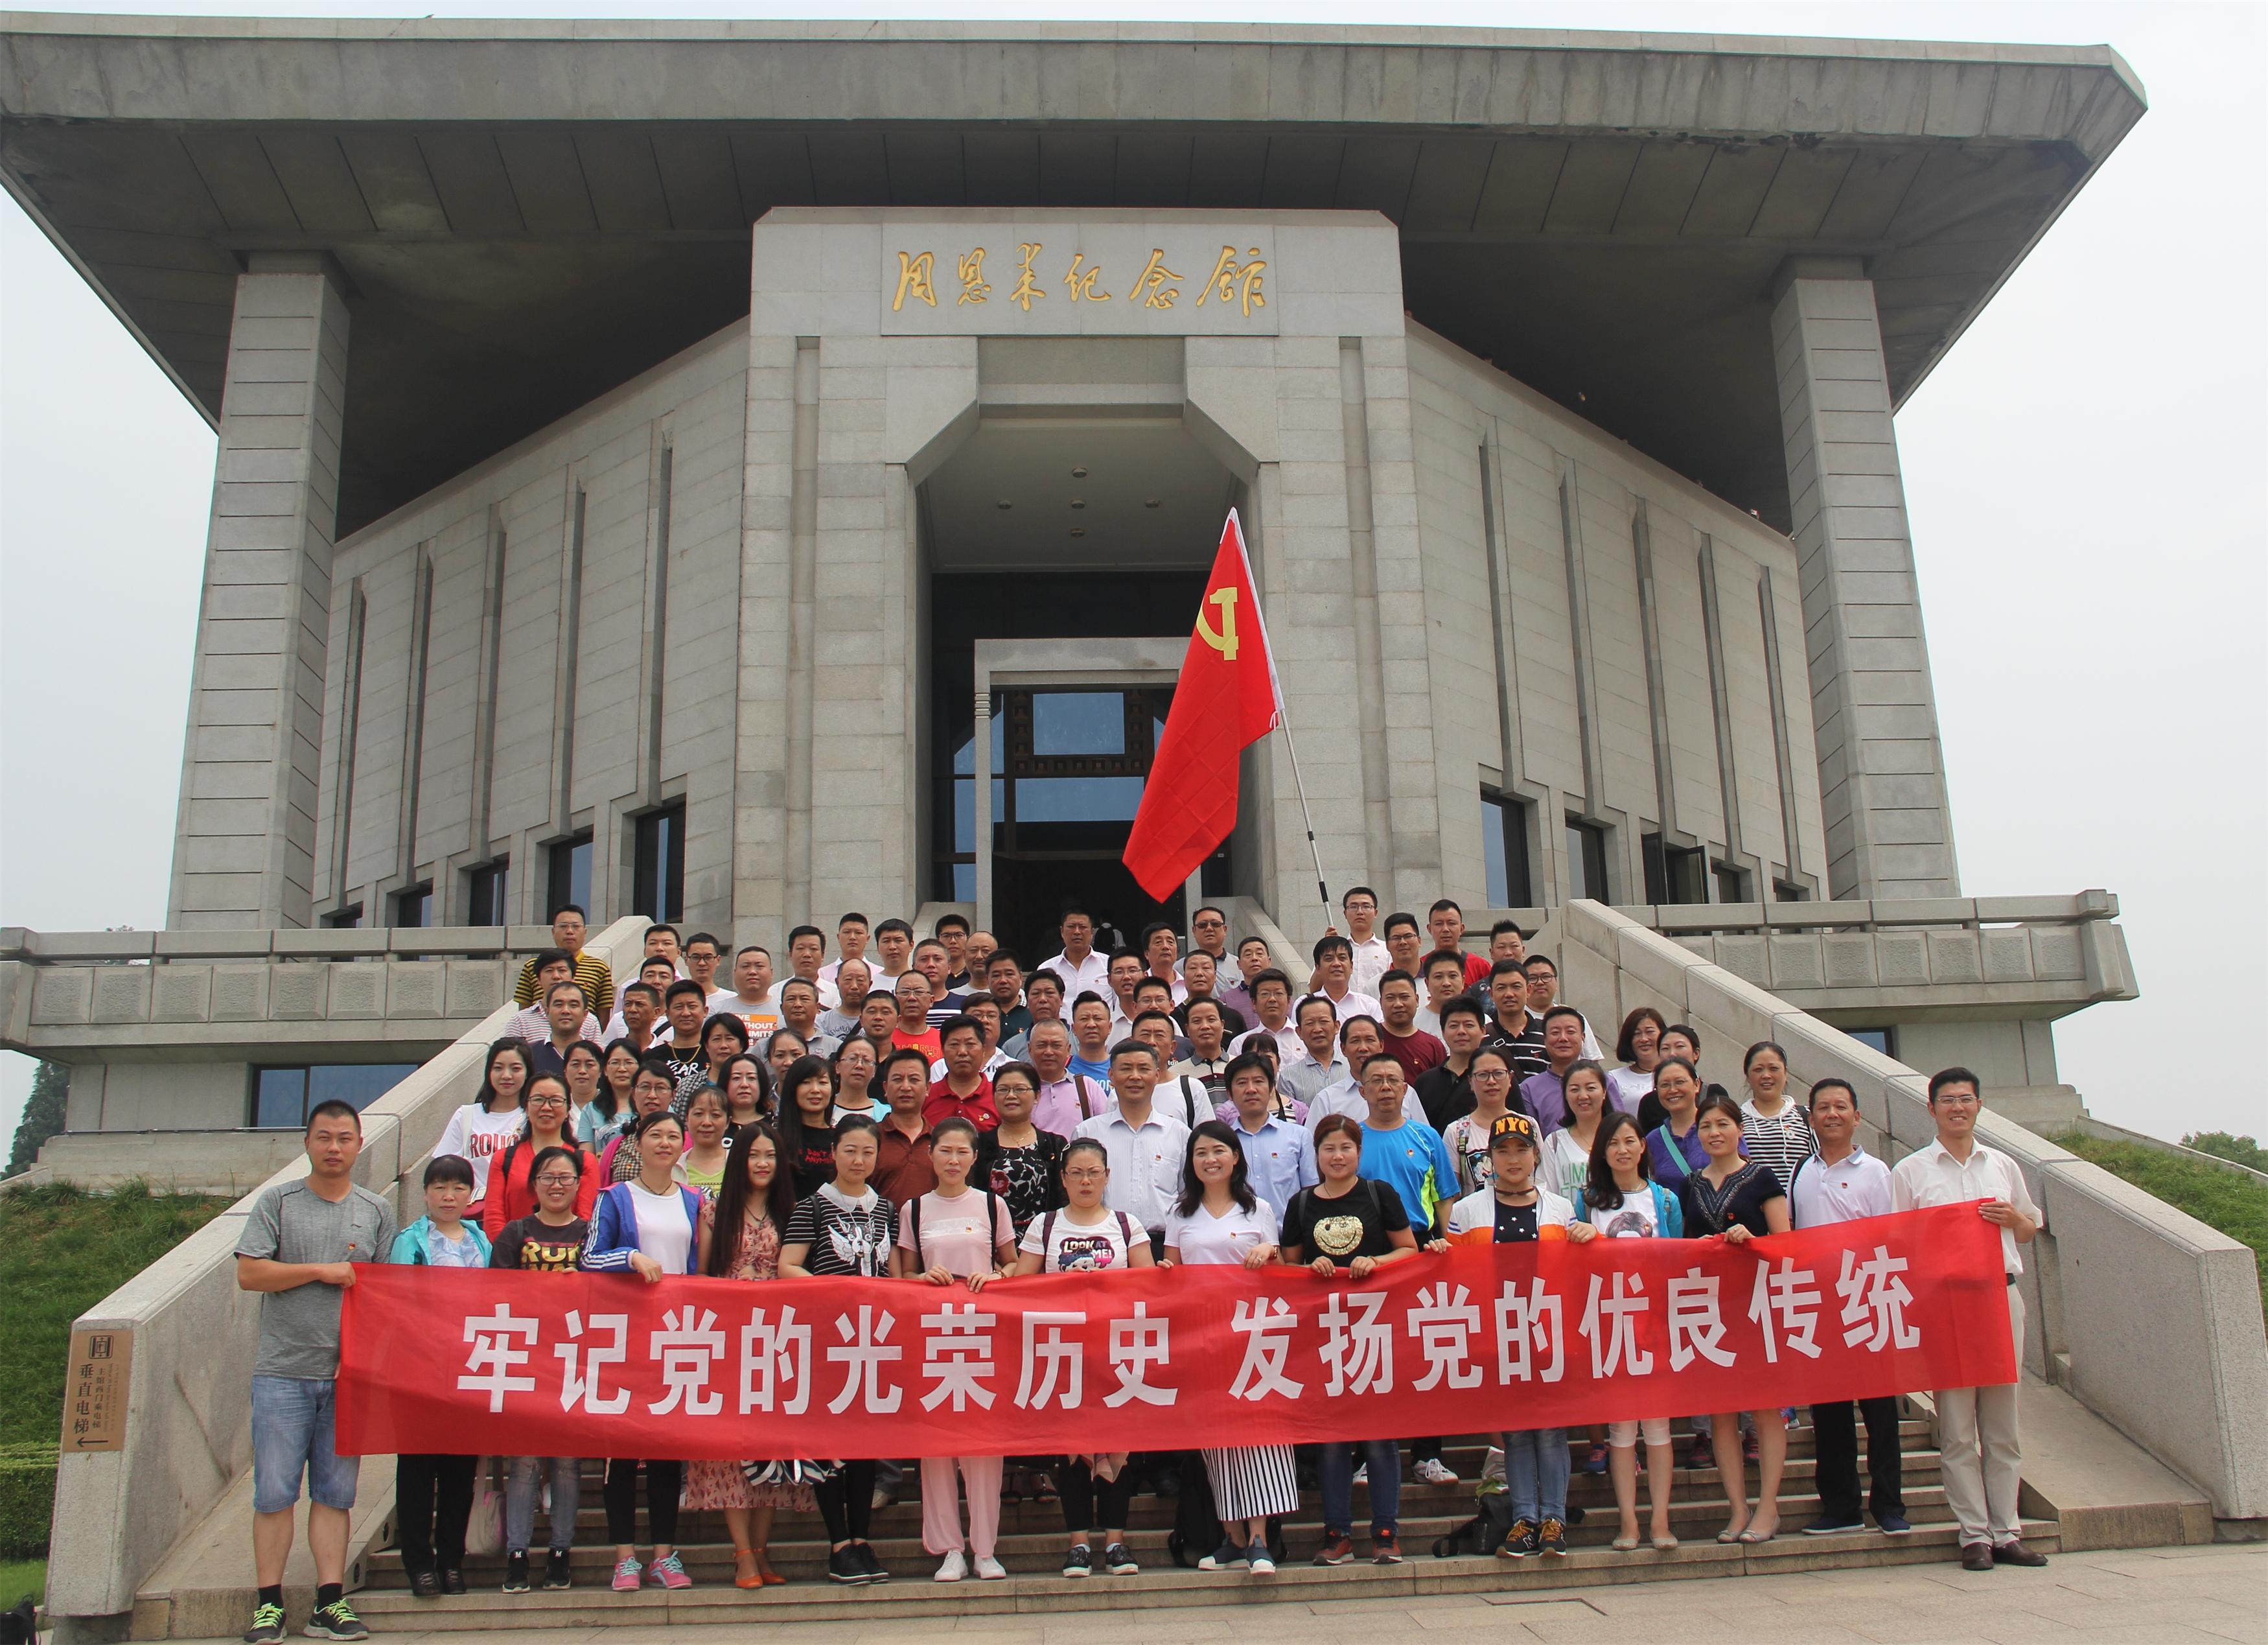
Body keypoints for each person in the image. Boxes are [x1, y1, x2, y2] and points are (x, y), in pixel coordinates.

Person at [234, 1100, 397, 1645]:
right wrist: (320, 1271)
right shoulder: (278, 1202)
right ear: (307, 1143)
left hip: (345, 1375)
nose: (334, 1147)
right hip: (282, 1372)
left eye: (344, 1138)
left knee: (335, 1493)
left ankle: (330, 1601)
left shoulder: (376, 1210)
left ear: (359, 1145)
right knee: (274, 1493)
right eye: (324, 1137)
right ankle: (269, 1604)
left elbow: (381, 1292)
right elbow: (251, 1274)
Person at [1891, 1067, 2046, 1572]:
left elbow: (2029, 1228)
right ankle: (1973, 1534)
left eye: (1965, 1099)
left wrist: (2014, 1220)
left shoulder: (2002, 1165)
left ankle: (2008, 1532)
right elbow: (1897, 1242)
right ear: (1931, 1108)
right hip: (1945, 1304)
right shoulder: (1911, 1172)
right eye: (1947, 1100)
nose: (1957, 1107)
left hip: (1999, 1296)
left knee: (2002, 1423)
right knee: (1957, 1426)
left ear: (1979, 1105)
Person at [1444, 1114, 1594, 1558]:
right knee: (1515, 1431)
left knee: (1550, 1429)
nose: (1513, 1159)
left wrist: (1590, 1234)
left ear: (1536, 1156)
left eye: (1522, 1150)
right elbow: (1453, 1274)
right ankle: (1524, 1518)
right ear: (1490, 1158)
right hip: (1498, 1332)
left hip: (1548, 1331)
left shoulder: (1560, 1208)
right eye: (1503, 1150)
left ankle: (1554, 1519)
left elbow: (1580, 1268)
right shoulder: (1467, 1211)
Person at [1281, 1113, 1424, 1567]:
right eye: (1329, 1148)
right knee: (1331, 1439)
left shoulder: (1380, 1194)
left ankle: (1386, 1532)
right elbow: (1287, 1268)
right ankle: (1337, 1532)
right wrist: (1310, 1269)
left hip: (1375, 1330)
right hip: (1322, 1335)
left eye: (1346, 1148)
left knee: (1380, 1437)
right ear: (1316, 1155)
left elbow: (1409, 1250)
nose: (1338, 1156)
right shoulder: (1301, 1203)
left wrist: (1376, 1262)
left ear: (1359, 1153)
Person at [1008, 1139, 1152, 1577]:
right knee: (1071, 1450)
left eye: (1094, 1173)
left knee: (1118, 1449)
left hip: (1116, 1354)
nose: (1086, 1181)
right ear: (1063, 1178)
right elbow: (1022, 1285)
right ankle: (1078, 1544)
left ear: (1107, 1176)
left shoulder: (1127, 1225)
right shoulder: (1045, 1225)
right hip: (1063, 1354)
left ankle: (1116, 1542)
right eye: (1077, 1173)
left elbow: (1150, 1288)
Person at [579, 1110, 704, 1591]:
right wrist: (629, 1257)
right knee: (623, 1453)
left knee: (667, 1452)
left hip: (676, 1340)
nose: (665, 1143)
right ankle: (625, 1557)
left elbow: (700, 1267)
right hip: (626, 1341)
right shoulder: (614, 1197)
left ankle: (664, 1555)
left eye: (674, 1136)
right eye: (656, 1135)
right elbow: (589, 1257)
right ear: (638, 1143)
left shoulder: (693, 1200)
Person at [893, 1117, 1019, 1581]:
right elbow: (905, 1275)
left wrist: (997, 1276)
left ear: (974, 1158)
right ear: (931, 1155)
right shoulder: (914, 1210)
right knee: (936, 1447)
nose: (952, 1159)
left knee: (984, 1445)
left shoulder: (992, 1205)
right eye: (944, 1151)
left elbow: (1014, 1265)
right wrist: (922, 1278)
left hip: (983, 1336)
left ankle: (985, 1548)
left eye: (962, 1152)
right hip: (933, 1337)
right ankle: (949, 1548)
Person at [1164, 1122, 1293, 1576]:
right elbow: (1171, 1273)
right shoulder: (1180, 1213)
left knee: (1259, 1437)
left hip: (1252, 1337)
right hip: (1202, 1339)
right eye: (1201, 1153)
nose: (1210, 1160)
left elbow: (1282, 1267)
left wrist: (1269, 1254)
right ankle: (1233, 1538)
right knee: (1215, 1439)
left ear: (1236, 1157)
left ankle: (1260, 1538)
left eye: (1219, 1151)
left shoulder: (1258, 1210)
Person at [686, 1121, 810, 1588]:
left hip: (778, 1342)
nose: (763, 1163)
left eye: (771, 1156)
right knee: (730, 1451)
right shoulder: (714, 1210)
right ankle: (742, 1554)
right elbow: (701, 1275)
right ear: (739, 1160)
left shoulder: (790, 1212)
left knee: (773, 1446)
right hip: (729, 1340)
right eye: (755, 1155)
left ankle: (761, 1551)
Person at [780, 1117, 899, 1585]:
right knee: (830, 1445)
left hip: (875, 1341)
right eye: (850, 1150)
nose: (858, 1160)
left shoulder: (886, 1209)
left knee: (867, 1446)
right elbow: (788, 1266)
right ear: (833, 1152)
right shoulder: (812, 1206)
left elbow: (895, 1273)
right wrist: (834, 1291)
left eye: (867, 1152)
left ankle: (862, 1538)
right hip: (828, 1339)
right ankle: (838, 1544)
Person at [1790, 1079, 1908, 1537]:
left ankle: (1889, 1506)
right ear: (1811, 1118)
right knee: (1830, 1414)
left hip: (1867, 1300)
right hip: (1820, 1307)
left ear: (1857, 1117)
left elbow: (1891, 1239)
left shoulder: (1876, 1172)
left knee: (1880, 1413)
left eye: (1841, 1106)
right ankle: (1841, 1508)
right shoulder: (1802, 1171)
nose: (1832, 1114)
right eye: (1823, 1108)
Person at [1679, 1090, 1792, 1544]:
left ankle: (1769, 1507)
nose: (1714, 1133)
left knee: (1764, 1409)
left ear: (1739, 1130)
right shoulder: (1690, 1184)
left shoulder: (1762, 1178)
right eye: (1706, 1126)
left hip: (1757, 1305)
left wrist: (1754, 1241)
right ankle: (1738, 1509)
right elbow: (1681, 1248)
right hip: (1710, 1309)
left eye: (1722, 1124)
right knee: (1721, 1413)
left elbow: (1786, 1244)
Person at [1573, 1111, 1684, 1551]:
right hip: (1610, 1328)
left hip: (1656, 1326)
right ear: (1602, 1152)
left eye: (1629, 1141)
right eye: (1613, 1143)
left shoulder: (1666, 1200)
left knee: (1658, 1428)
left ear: (1643, 1147)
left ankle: (1661, 1521)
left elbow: (1679, 1259)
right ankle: (1628, 1523)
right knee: (1621, 1431)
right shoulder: (1587, 1202)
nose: (1622, 1149)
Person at [384, 1154, 489, 1600]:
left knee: (459, 1473)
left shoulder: (481, 1240)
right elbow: (394, 1302)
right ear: (425, 1193)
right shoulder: (410, 1241)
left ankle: (451, 1561)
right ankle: (418, 1562)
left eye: (459, 1188)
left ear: (470, 1194)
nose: (449, 1196)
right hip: (418, 1370)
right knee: (417, 1470)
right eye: (440, 1187)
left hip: (467, 1369)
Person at [489, 1146, 590, 1593]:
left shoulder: (590, 1233)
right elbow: (496, 1295)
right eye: (548, 1177)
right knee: (525, 1462)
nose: (556, 1185)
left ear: (578, 1185)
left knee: (567, 1463)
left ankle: (560, 1552)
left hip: (575, 1360)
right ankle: (517, 1554)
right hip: (525, 1361)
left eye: (565, 1178)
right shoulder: (516, 1232)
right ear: (534, 1184)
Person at [1072, 1039, 1190, 1251]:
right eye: (1126, 1069)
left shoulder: (1179, 1134)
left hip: (1163, 1246)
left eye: (1143, 1069)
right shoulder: (1087, 1132)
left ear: (1157, 1075)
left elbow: (1187, 1195)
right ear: (1111, 1076)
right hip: (1103, 1243)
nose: (1135, 1076)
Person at [481, 1071, 599, 1237]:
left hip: (570, 1251)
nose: (546, 1107)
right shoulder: (504, 1159)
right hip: (512, 1251)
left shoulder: (585, 1161)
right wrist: (510, 1248)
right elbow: (494, 1219)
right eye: (538, 1099)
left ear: (568, 1110)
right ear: (526, 1107)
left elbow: (587, 1219)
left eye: (556, 1100)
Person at [434, 1038, 531, 1218]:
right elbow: (441, 1170)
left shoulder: (534, 1117)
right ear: (488, 1072)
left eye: (516, 1069)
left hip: (521, 1214)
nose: (506, 1075)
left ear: (527, 1072)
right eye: (498, 1068)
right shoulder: (466, 1115)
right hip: (473, 1216)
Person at [1221, 1049, 1319, 1219]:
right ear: (1229, 1093)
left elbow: (1311, 1192)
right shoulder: (1222, 1144)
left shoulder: (1299, 1136)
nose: (1251, 1089)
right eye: (1242, 1083)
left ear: (1272, 1088)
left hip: (1288, 1233)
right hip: (1238, 1232)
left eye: (1259, 1081)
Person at [972, 1061, 1067, 1234]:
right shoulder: (979, 1144)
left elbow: (1064, 1200)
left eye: (1020, 1089)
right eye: (1003, 1090)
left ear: (1037, 1096)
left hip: (1043, 1240)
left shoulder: (1055, 1145)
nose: (1011, 1095)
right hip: (991, 1240)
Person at [1440, 1044, 1519, 1195]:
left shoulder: (1528, 1125)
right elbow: (1451, 1194)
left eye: (1498, 1073)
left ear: (1510, 1078)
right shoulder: (1457, 1131)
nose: (1491, 1081)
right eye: (1482, 1075)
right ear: (1470, 1081)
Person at [1739, 1040, 1815, 1193]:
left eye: (1774, 1068)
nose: (1766, 1075)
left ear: (1785, 1073)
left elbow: (1822, 1164)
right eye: (1758, 1070)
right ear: (1747, 1076)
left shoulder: (1807, 1117)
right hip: (1755, 1205)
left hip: (1801, 1205)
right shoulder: (1736, 1121)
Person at [513, 904, 612, 1012]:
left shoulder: (599, 968)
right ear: (553, 932)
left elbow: (604, 1015)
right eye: (563, 926)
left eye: (576, 926)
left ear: (585, 932)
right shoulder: (533, 965)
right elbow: (524, 1010)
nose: (569, 931)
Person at [872, 1046, 939, 1206]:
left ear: (928, 1088)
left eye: (914, 1080)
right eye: (897, 1079)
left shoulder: (940, 1141)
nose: (906, 1087)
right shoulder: (871, 1138)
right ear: (885, 1088)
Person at [600, 1056, 682, 1184]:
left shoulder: (686, 1142)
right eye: (645, 1087)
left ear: (673, 1095)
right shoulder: (618, 1145)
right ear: (633, 1093)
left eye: (660, 1088)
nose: (652, 1095)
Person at [1540, 1058, 1610, 1203]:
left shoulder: (1620, 1137)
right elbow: (1547, 1197)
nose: (1583, 1096)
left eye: (1591, 1088)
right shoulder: (1555, 1143)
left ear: (1604, 1092)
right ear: (1565, 1095)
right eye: (1574, 1090)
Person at [1415, 996, 1489, 1130]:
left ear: (1483, 1031)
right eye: (1454, 1026)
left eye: (1469, 1025)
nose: (1461, 1032)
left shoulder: (1496, 1077)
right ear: (1443, 1032)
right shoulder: (1425, 1082)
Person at [777, 1053, 846, 1197]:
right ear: (793, 1088)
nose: (815, 1090)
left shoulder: (841, 1139)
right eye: (806, 1082)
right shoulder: (777, 1139)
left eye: (822, 1082)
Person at [1028, 1017, 1108, 1134]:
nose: (1049, 1052)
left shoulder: (1087, 1086)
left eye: (1056, 1045)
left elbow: (1105, 1131)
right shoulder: (1022, 1090)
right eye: (1042, 1045)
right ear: (1030, 1049)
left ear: (1068, 1049)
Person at [1516, 1006, 1588, 1132]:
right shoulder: (1529, 1089)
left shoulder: (1603, 1081)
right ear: (1544, 1040)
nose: (1563, 1038)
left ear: (1583, 1037)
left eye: (1571, 1032)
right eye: (1555, 1033)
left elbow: (1616, 1126)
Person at [1645, 1055, 1709, 1190]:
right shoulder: (1653, 1140)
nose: (1673, 1090)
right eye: (1665, 1085)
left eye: (1680, 1082)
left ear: (1697, 1084)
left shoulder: (1719, 1128)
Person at [1520, 955, 1603, 1058]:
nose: (1540, 982)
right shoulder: (1517, 1019)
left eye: (1546, 977)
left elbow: (1592, 1060)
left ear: (1556, 983)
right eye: (1532, 978)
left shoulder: (1574, 1018)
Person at [925, 1014, 1000, 1128]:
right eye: (954, 1045)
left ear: (983, 1050)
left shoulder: (998, 1097)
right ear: (943, 1050)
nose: (962, 1052)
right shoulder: (926, 1097)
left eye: (970, 1044)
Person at [1276, 994, 1349, 1108]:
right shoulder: (1288, 1077)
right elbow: (1290, 1117)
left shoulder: (1354, 1068)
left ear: (1336, 1026)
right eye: (1310, 1023)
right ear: (1299, 1032)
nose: (1317, 1029)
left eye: (1323, 1021)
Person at [1484, 961, 1549, 1084]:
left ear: (1528, 990)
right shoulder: (1481, 1036)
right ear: (1491, 994)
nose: (1509, 994)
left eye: (1516, 987)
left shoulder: (1548, 1034)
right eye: (1501, 988)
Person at [1376, 969, 1446, 1083]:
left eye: (1404, 997)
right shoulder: (1371, 1040)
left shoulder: (1433, 1046)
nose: (1398, 1004)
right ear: (1381, 1002)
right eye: (1390, 998)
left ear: (1417, 1000)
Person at [527, 978, 597, 1077]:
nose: (566, 1011)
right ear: (547, 1012)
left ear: (585, 1014)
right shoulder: (529, 1055)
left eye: (573, 1005)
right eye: (559, 1005)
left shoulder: (596, 1057)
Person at [1230, 968, 1302, 1062]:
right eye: (1265, 994)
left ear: (1289, 1001)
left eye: (1279, 993)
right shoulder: (1239, 1044)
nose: (1272, 999)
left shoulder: (1304, 1038)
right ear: (1254, 1003)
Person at [583, 1040, 642, 1152]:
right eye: (615, 1063)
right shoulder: (591, 1110)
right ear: (605, 1070)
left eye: (629, 1062)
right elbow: (586, 1156)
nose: (622, 1069)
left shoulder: (655, 1104)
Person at [1308, 933, 1382, 1023]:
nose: (1336, 964)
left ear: (1351, 966)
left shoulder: (1369, 1005)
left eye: (1342, 958)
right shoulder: (1306, 1004)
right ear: (1318, 968)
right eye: (1329, 959)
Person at [1610, 1006, 1668, 1117]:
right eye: (1637, 1034)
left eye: (1650, 1032)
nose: (1644, 1039)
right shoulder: (1614, 1078)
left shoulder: (1676, 1073)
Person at [1039, 907, 1109, 999]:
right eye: (1071, 927)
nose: (1077, 932)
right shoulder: (1047, 968)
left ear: (1092, 932)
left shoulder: (1109, 965)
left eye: (1083, 927)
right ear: (1062, 931)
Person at [1172, 996, 1235, 1098]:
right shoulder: (1176, 1075)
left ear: (1222, 1025)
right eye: (1197, 1021)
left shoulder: (1241, 1067)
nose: (1205, 1026)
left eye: (1211, 1020)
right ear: (1187, 1029)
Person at [712, 943, 781, 1036]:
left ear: (771, 972)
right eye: (745, 966)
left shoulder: (785, 1011)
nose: (752, 972)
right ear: (735, 973)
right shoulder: (717, 1011)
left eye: (759, 966)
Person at [679, 1084, 734, 1197]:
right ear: (687, 1119)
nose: (707, 1122)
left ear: (728, 1122)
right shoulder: (675, 1168)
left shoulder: (740, 1165)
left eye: (715, 1115)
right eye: (699, 1114)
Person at [1426, 899, 1493, 990]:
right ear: (1429, 929)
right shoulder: (1421, 966)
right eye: (1439, 924)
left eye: (1451, 923)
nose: (1445, 929)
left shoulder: (1480, 967)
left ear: (1462, 929)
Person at [776, 978, 840, 1059]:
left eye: (804, 999)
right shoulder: (767, 1046)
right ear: (782, 1008)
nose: (798, 1004)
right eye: (791, 999)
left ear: (817, 1008)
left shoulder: (835, 1047)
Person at [829, 1035, 885, 1124]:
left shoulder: (886, 1115)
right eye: (852, 1059)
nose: (859, 1066)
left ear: (875, 1070)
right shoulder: (823, 1107)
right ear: (838, 1067)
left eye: (867, 1061)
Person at [785, 922, 839, 1011]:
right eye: (800, 949)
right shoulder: (775, 992)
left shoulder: (836, 994)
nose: (807, 954)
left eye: (813, 949)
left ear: (822, 955)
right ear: (790, 954)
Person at [1414, 947, 1466, 1038]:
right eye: (1438, 977)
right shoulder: (1413, 1022)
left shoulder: (1481, 1020)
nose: (1446, 983)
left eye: (1453, 976)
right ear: (1427, 983)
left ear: (1463, 981)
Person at [816, 911, 873, 996]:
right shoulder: (822, 974)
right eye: (847, 932)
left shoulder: (878, 973)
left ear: (867, 938)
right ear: (838, 937)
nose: (852, 937)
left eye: (858, 933)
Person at [817, 956, 872, 1041]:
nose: (854, 986)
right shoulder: (821, 1022)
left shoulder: (876, 1022)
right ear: (837, 983)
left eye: (860, 980)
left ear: (870, 984)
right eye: (848, 980)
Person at [1067, 990, 1116, 1081]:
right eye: (1084, 1019)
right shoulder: (1064, 1068)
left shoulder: (1120, 1067)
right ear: (1074, 1029)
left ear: (1110, 1027)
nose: (1091, 1025)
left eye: (1098, 1018)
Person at [717, 1051, 772, 1130]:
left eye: (751, 1078)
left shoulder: (775, 1125)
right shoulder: (716, 1126)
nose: (744, 1084)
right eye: (736, 1078)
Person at [870, 916, 916, 990]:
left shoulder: (922, 982)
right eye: (886, 941)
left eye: (898, 940)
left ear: (911, 945)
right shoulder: (869, 985)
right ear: (878, 947)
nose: (892, 947)